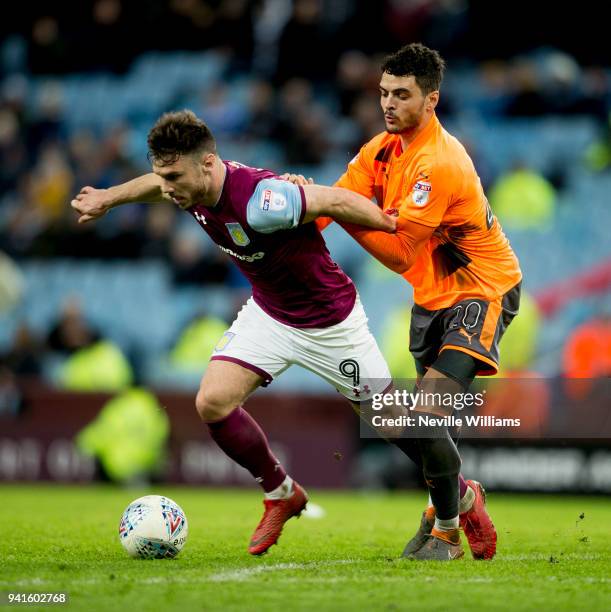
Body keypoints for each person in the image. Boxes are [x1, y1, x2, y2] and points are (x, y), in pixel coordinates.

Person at [71, 109, 397, 557]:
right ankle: (282, 493)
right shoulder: (188, 186)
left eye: (173, 176)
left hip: (330, 322)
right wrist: (108, 197)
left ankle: (460, 497)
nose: (166, 187)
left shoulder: (261, 199)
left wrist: (394, 226)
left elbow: (336, 201)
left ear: (207, 164)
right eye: (161, 176)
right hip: (270, 313)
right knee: (212, 402)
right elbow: (155, 184)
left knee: (395, 425)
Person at [285, 43, 522, 561]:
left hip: (481, 290)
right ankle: (460, 500)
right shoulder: (381, 149)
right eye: (383, 93)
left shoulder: (437, 163)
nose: (388, 104)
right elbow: (329, 207)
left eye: (402, 95)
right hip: (432, 299)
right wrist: (293, 206)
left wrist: (344, 211)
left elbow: (397, 253)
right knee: (406, 420)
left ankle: (445, 534)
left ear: (431, 100)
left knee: (429, 415)